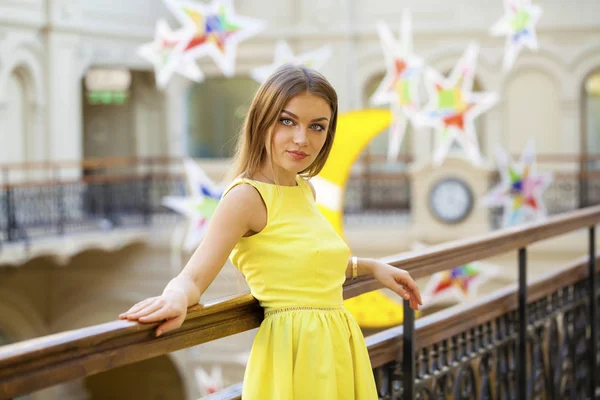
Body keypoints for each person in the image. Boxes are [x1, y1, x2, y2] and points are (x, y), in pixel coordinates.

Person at [120, 64, 422, 399]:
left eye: (317, 127)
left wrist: (372, 268)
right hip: (295, 357)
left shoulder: (304, 189)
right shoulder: (246, 197)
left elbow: (308, 263)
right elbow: (192, 278)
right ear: (262, 120)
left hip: (338, 346)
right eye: (287, 121)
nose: (301, 139)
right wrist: (173, 298)